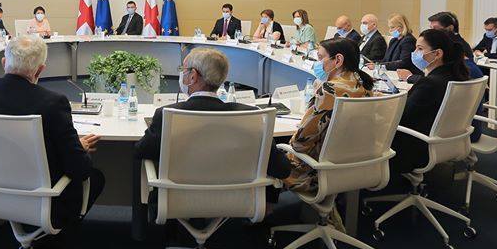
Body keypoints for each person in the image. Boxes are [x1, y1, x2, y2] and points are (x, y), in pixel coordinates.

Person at [0, 35, 104, 229]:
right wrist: (78, 147)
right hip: (40, 200)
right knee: (96, 178)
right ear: (40, 70)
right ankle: (52, 236)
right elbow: (79, 168)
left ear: (3, 63)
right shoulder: (53, 103)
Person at [135, 48, 292, 194]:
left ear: (193, 76)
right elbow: (282, 169)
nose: (182, 74)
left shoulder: (167, 114)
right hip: (237, 202)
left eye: (183, 70)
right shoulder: (251, 116)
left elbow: (141, 151)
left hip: (179, 201)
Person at [280, 38, 374, 193]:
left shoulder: (330, 89)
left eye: (320, 57)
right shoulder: (365, 85)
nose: (317, 63)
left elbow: (299, 143)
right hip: (356, 164)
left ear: (338, 60)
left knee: (271, 153)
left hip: (317, 170)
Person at [389, 29, 472, 176]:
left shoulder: (429, 84)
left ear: (438, 53)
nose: (415, 53)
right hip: (444, 143)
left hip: (415, 149)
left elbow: (400, 118)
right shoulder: (458, 77)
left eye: (420, 49)